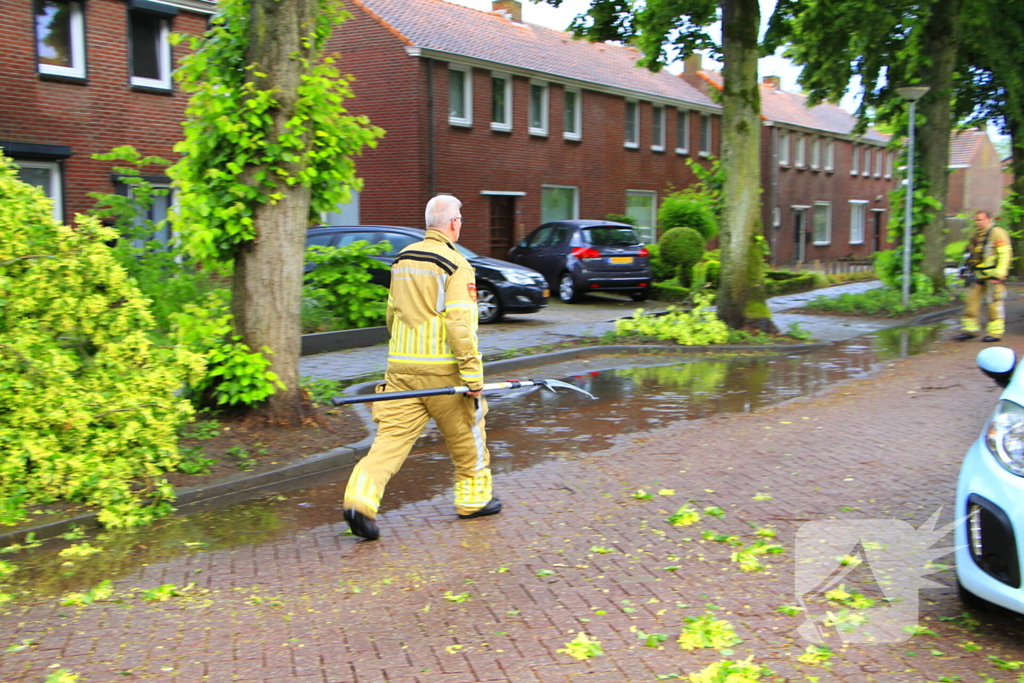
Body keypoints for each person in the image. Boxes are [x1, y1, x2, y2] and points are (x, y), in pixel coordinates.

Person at [342, 195, 500, 540]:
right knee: (467, 434)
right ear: (454, 223)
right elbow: (460, 325)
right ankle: (473, 500)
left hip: (400, 370)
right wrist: (473, 377)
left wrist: (404, 352)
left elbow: (391, 313)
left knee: (389, 442)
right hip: (443, 373)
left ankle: (359, 501)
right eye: (461, 220)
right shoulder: (456, 264)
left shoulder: (402, 260)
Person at [958, 210, 1012, 343]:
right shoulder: (976, 235)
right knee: (971, 302)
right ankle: (970, 329)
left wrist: (1000, 273)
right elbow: (971, 254)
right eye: (977, 220)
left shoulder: (998, 233)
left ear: (989, 219)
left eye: (981, 220)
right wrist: (964, 269)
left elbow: (1005, 255)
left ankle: (995, 332)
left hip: (992, 276)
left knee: (993, 304)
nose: (978, 222)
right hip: (976, 275)